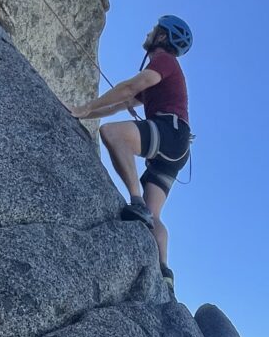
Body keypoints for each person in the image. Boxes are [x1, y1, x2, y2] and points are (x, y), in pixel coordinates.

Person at [68, 15, 193, 290]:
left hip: (169, 132)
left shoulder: (163, 60)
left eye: (154, 29)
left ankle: (135, 200)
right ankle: (164, 273)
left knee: (112, 134)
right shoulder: (165, 70)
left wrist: (86, 108)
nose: (149, 32)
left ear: (162, 37)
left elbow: (130, 87)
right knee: (154, 214)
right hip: (177, 146)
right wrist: (86, 114)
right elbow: (121, 103)